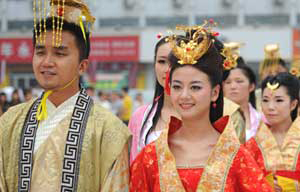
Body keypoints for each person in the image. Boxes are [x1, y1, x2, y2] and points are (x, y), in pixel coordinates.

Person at [0, 1, 130, 191]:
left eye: (60, 54)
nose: (47, 62)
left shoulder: (108, 130)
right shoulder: (10, 121)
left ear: (82, 66)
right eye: (40, 52)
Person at [130, 23, 272, 191]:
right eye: (177, 86)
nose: (184, 96)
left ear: (215, 92)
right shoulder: (150, 157)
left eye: (195, 87)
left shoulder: (236, 157)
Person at [128, 36, 180, 164]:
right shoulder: (140, 117)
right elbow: (133, 168)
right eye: (162, 61)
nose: (167, 69)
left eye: (175, 62)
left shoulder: (201, 114)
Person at [245, 72, 300, 191]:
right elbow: (241, 182)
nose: (270, 107)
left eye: (278, 100)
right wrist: (263, 185)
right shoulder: (252, 145)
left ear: (293, 104)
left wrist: (290, 186)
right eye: (265, 100)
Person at [222, 42, 261, 143]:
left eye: (239, 81)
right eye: (228, 82)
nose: (233, 86)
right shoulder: (216, 118)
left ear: (251, 86)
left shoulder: (262, 119)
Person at [256, 44, 289, 111]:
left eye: (278, 72)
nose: (274, 76)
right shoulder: (254, 96)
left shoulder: (294, 93)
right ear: (261, 75)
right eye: (269, 73)